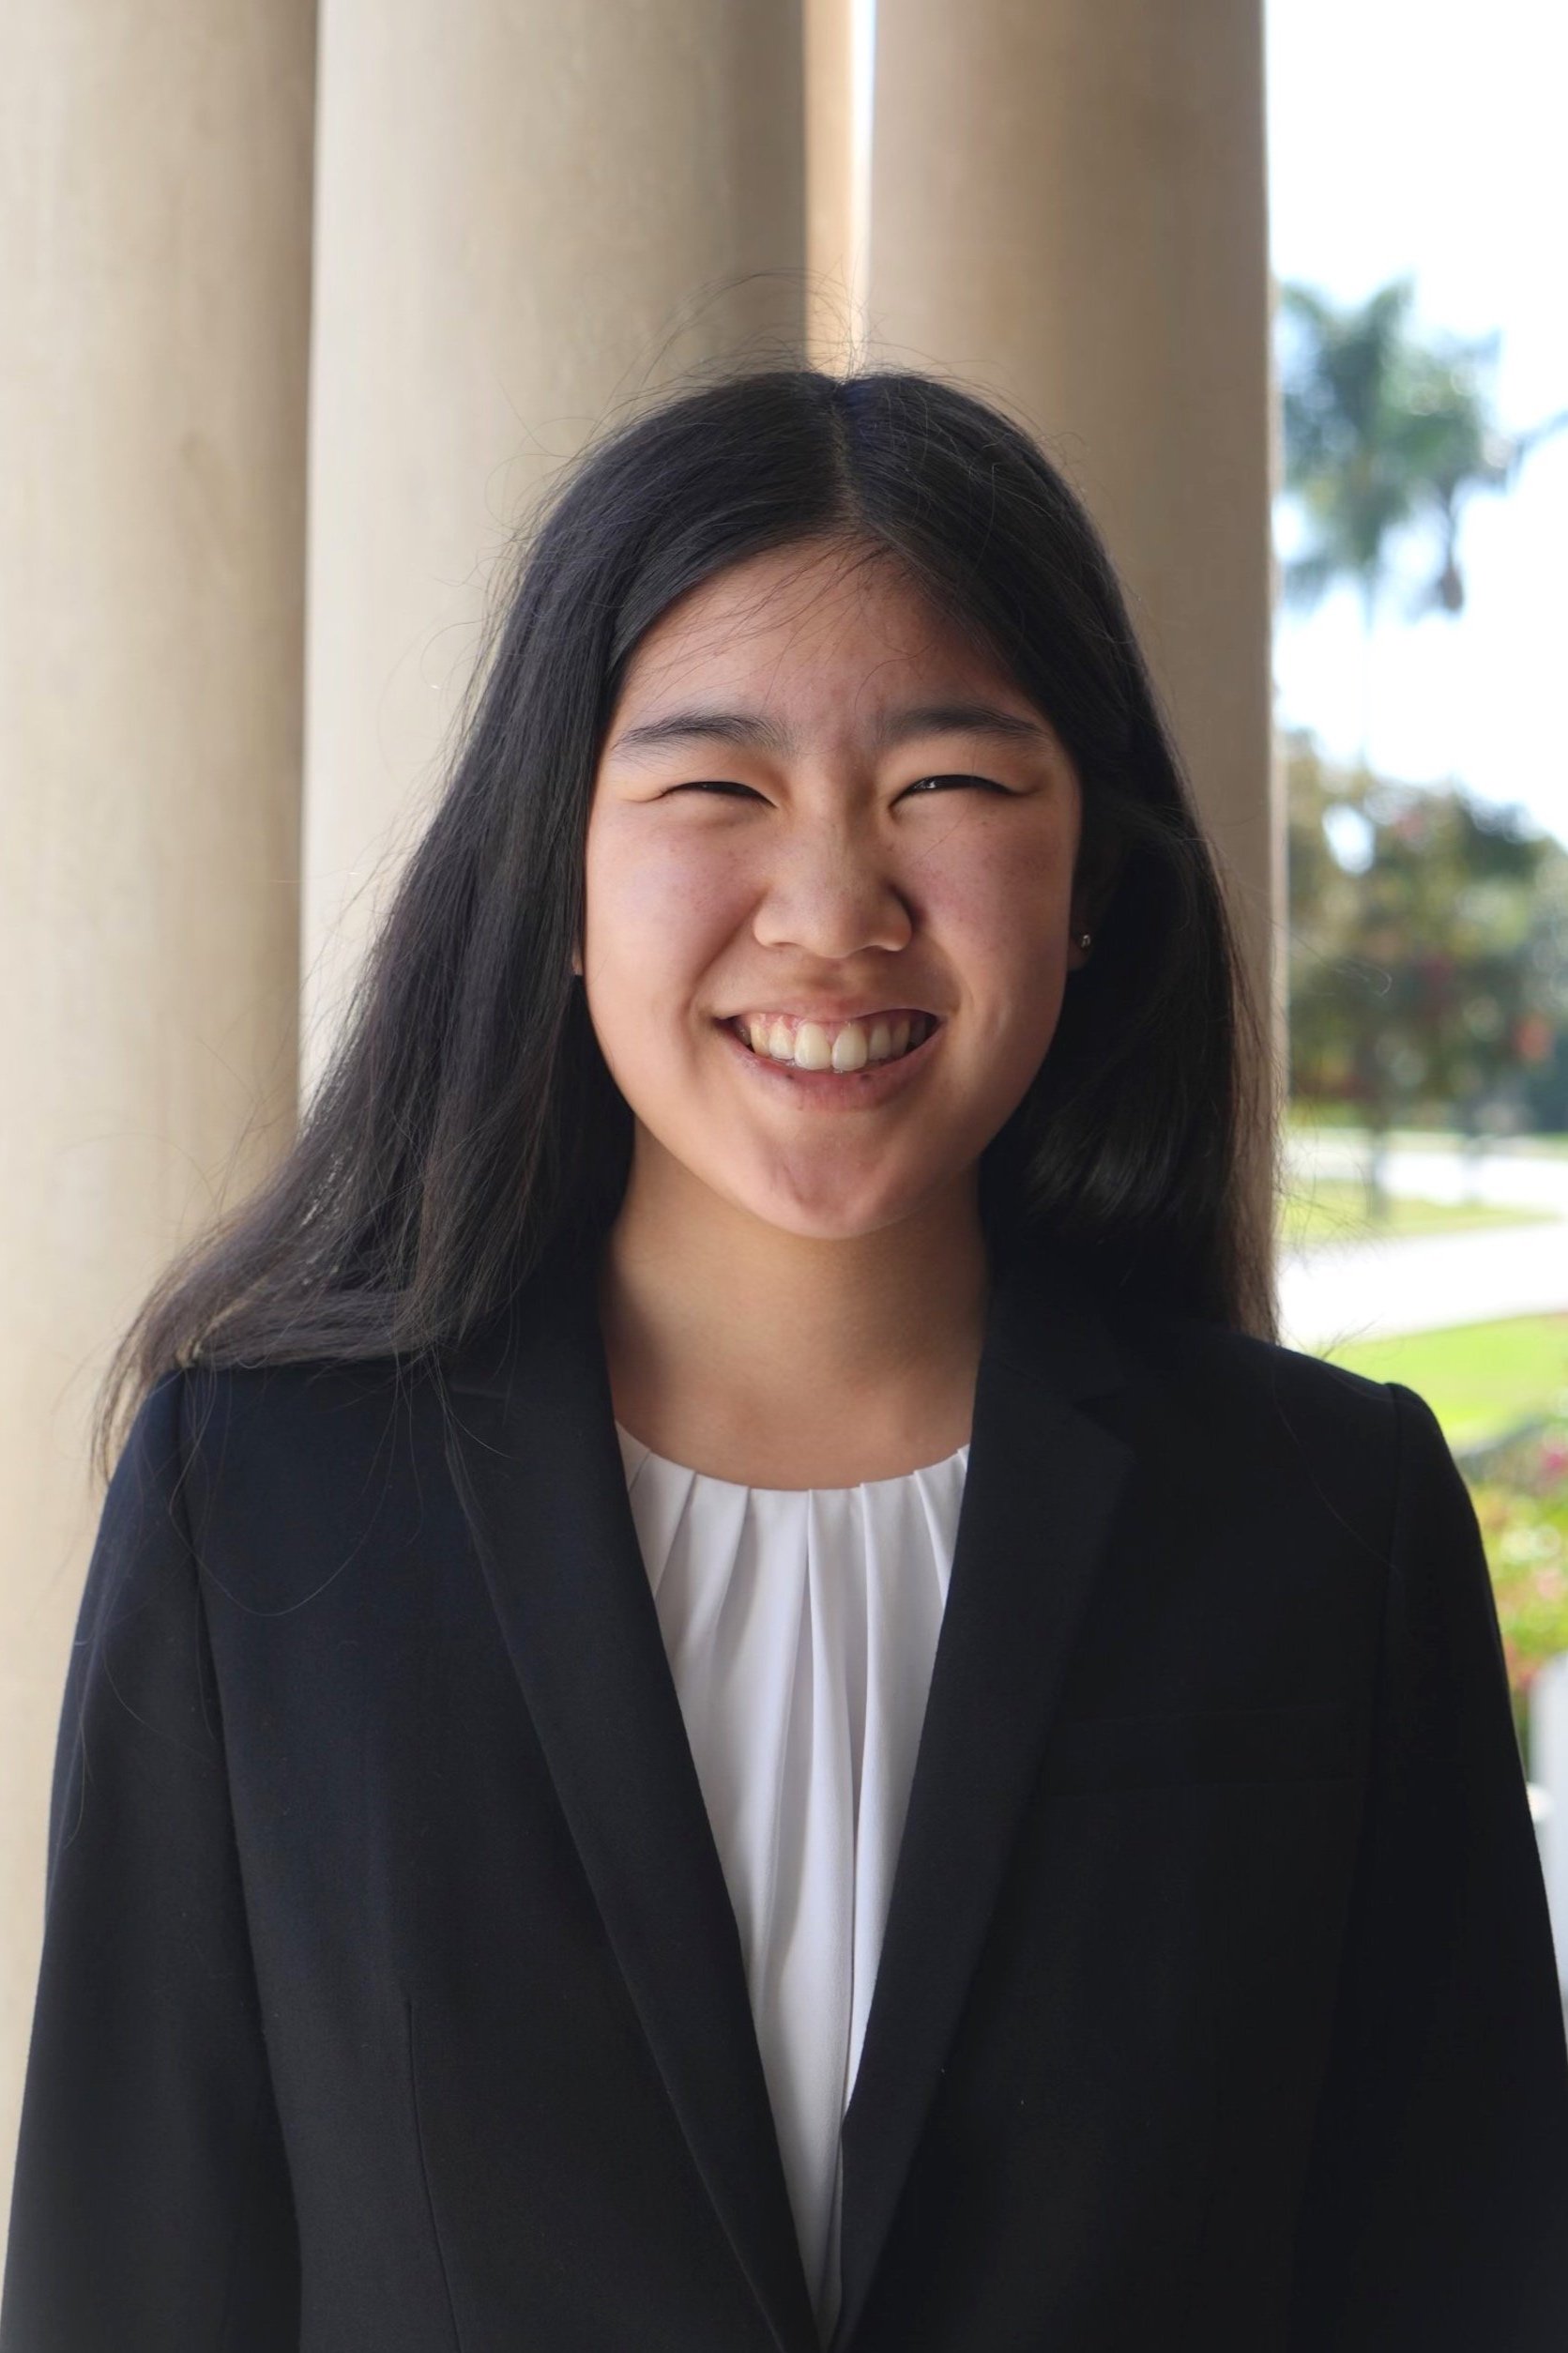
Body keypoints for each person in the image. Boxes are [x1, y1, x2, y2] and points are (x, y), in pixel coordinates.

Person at [4, 366, 1565, 2353]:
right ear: (559, 880)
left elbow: (1465, 2277)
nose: (832, 912)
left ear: (1090, 882)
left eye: (950, 788)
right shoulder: (260, 1505)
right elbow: (126, 2286)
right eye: (715, 791)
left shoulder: (1325, 1522)